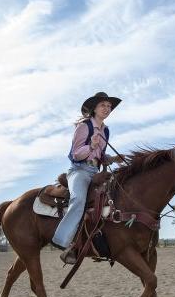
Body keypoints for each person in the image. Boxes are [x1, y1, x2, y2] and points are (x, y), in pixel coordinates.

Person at [51, 92, 123, 264]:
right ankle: (63, 241)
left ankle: (102, 240)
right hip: (79, 170)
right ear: (94, 109)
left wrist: (113, 159)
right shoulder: (84, 126)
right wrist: (91, 145)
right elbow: (76, 155)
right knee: (78, 199)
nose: (107, 109)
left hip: (96, 171)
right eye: (103, 105)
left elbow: (100, 156)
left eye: (109, 106)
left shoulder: (106, 130)